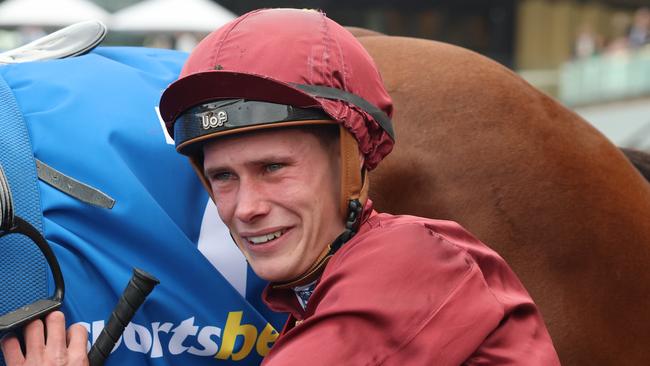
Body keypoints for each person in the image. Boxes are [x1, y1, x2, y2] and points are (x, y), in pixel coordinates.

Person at [1, 8, 560, 365]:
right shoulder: (306, 301)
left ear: (350, 158)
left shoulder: (415, 266)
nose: (246, 208)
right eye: (222, 177)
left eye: (273, 168)